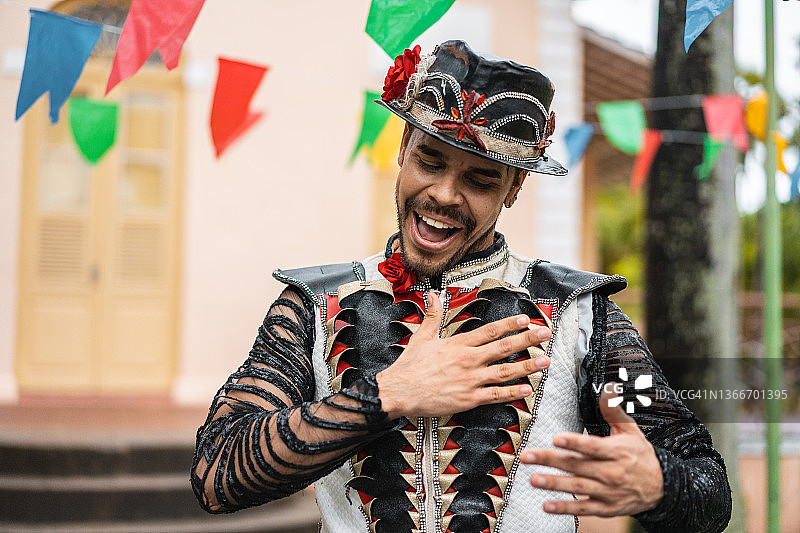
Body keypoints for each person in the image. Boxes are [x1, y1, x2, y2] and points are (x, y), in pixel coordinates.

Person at [191, 40, 732, 532]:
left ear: (515, 188)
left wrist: (661, 485)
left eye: (480, 179)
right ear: (403, 148)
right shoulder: (313, 304)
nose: (445, 194)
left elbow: (708, 486)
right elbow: (216, 475)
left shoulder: (580, 316)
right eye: (430, 160)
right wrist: (388, 395)